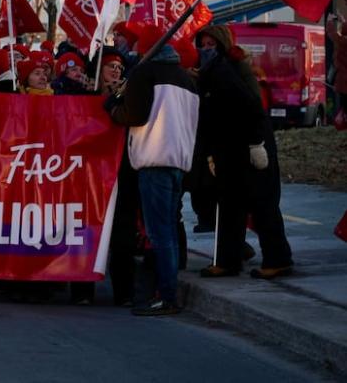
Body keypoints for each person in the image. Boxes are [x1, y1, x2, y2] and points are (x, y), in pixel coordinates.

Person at [105, 25, 200, 316]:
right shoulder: (187, 79)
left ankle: (166, 295)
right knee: (168, 229)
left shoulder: (144, 74)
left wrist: (112, 107)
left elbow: (134, 114)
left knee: (160, 234)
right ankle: (166, 291)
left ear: (145, 49)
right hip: (178, 161)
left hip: (154, 159)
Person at [193, 24, 293, 280]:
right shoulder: (212, 71)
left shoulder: (229, 70)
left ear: (222, 45)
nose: (206, 50)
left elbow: (251, 106)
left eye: (210, 45)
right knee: (229, 207)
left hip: (249, 148)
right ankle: (228, 259)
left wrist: (256, 144)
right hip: (229, 150)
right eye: (202, 46)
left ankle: (278, 259)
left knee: (262, 205)